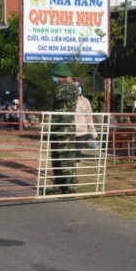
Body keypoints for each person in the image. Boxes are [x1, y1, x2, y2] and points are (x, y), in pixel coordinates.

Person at [49, 62, 79, 194]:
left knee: (66, 158)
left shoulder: (69, 86)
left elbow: (58, 95)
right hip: (57, 128)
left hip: (65, 129)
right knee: (56, 159)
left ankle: (70, 187)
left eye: (55, 76)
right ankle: (59, 185)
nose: (54, 78)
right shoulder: (63, 85)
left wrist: (61, 82)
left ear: (60, 75)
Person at [73, 77, 98, 159]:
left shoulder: (85, 101)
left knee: (77, 156)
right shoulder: (67, 101)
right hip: (69, 131)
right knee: (68, 157)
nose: (77, 89)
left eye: (79, 88)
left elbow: (89, 118)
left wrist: (94, 133)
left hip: (82, 132)